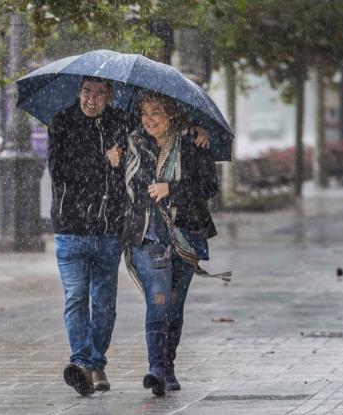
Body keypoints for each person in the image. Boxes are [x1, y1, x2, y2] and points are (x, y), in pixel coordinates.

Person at [121, 91, 228, 396]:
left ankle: (167, 365)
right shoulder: (132, 142)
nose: (148, 119)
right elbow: (125, 187)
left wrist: (173, 189)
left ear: (171, 115)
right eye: (143, 113)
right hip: (148, 234)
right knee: (158, 297)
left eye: (155, 112)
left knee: (175, 306)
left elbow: (209, 186)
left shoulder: (194, 143)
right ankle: (154, 367)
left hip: (186, 235)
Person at [47, 76, 134, 396]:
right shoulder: (62, 123)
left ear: (110, 96)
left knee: (105, 305)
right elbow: (61, 172)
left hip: (109, 230)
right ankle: (82, 362)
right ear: (78, 92)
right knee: (76, 296)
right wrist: (105, 161)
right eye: (87, 92)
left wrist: (196, 129)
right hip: (70, 228)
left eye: (99, 93)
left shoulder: (123, 121)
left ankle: (96, 362)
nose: (91, 99)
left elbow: (156, 135)